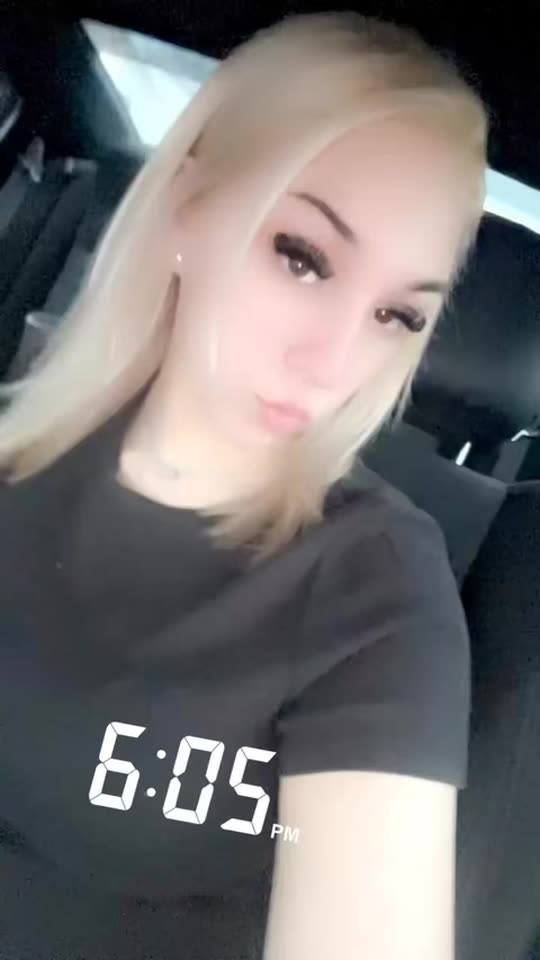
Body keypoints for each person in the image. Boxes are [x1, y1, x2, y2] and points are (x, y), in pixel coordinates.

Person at [0, 10, 488, 960]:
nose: (333, 362)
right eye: (302, 258)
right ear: (186, 208)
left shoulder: (377, 591)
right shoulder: (19, 455)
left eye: (396, 314)